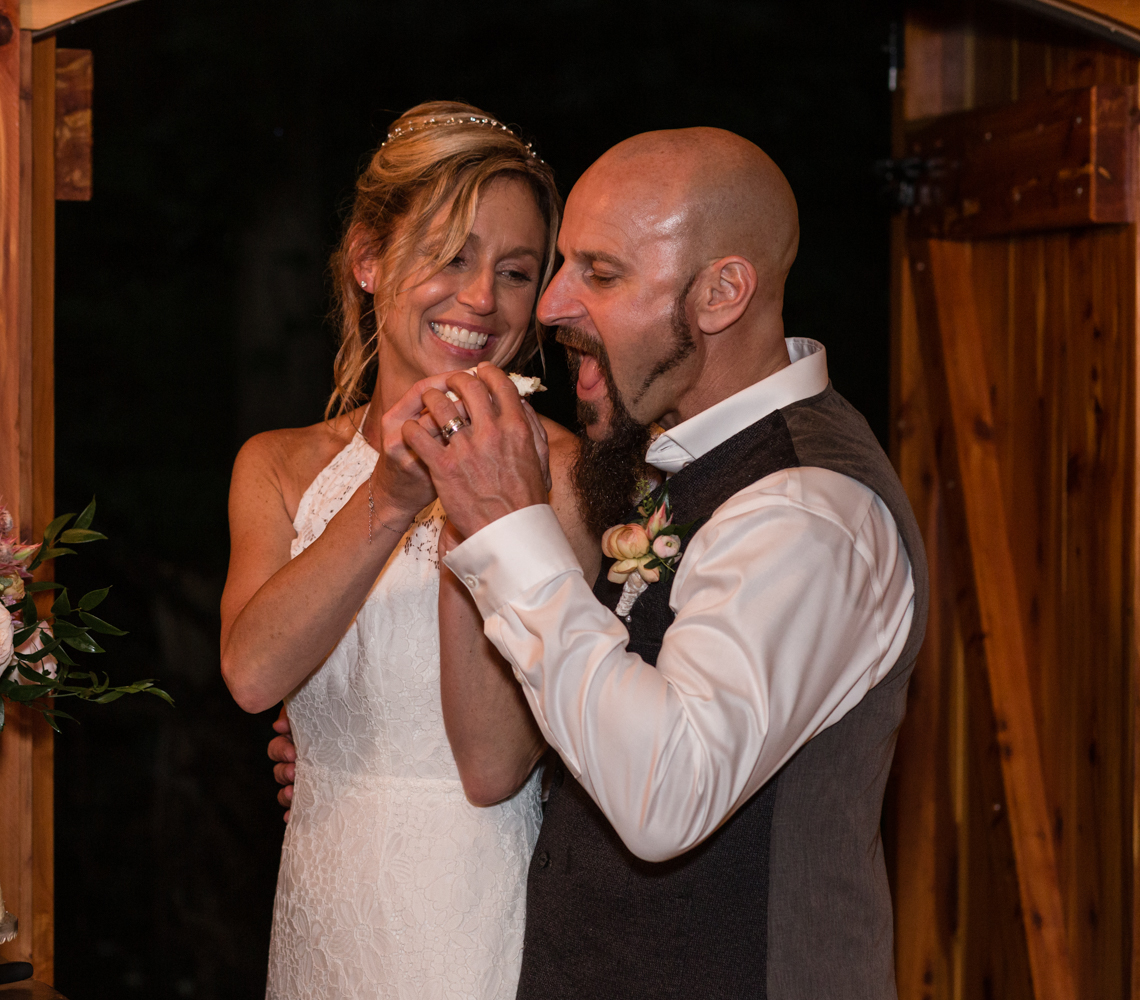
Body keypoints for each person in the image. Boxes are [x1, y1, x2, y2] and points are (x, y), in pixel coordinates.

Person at [328, 127, 926, 998]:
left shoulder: (806, 511)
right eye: (563, 265)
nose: (551, 305)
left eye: (600, 274)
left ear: (723, 292)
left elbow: (665, 795)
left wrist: (506, 526)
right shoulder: (672, 460)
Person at [220, 101, 596, 999]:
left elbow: (495, 766)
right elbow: (252, 674)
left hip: (475, 911)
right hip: (323, 897)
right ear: (368, 258)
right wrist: (389, 499)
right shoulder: (276, 465)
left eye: (515, 271)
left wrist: (477, 492)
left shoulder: (570, 474)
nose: (481, 299)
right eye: (451, 255)